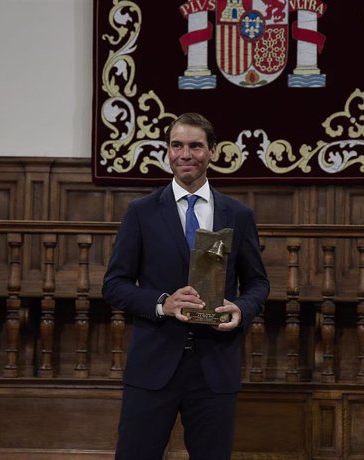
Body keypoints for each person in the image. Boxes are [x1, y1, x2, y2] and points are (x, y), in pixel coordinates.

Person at [102, 112, 270, 460]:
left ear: (212, 152)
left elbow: (257, 283)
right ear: (167, 151)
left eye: (195, 146)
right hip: (154, 364)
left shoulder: (238, 215)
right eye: (177, 145)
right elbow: (114, 284)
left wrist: (241, 308)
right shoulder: (142, 212)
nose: (185, 154)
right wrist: (164, 303)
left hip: (214, 367)